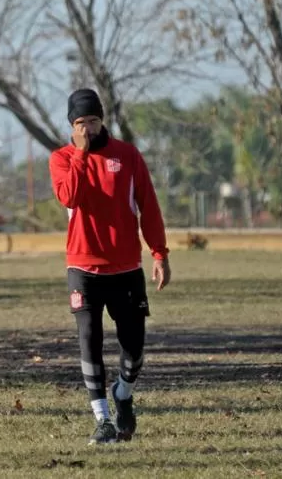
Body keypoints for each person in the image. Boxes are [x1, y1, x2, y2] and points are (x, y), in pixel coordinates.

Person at [48, 88, 171, 445]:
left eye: (93, 121)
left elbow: (149, 207)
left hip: (126, 269)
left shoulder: (128, 156)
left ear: (103, 120)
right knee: (90, 340)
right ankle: (102, 419)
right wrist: (82, 155)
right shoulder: (61, 158)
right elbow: (70, 196)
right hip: (83, 268)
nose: (87, 128)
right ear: (71, 126)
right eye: (80, 123)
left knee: (134, 348)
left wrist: (159, 253)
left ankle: (123, 393)